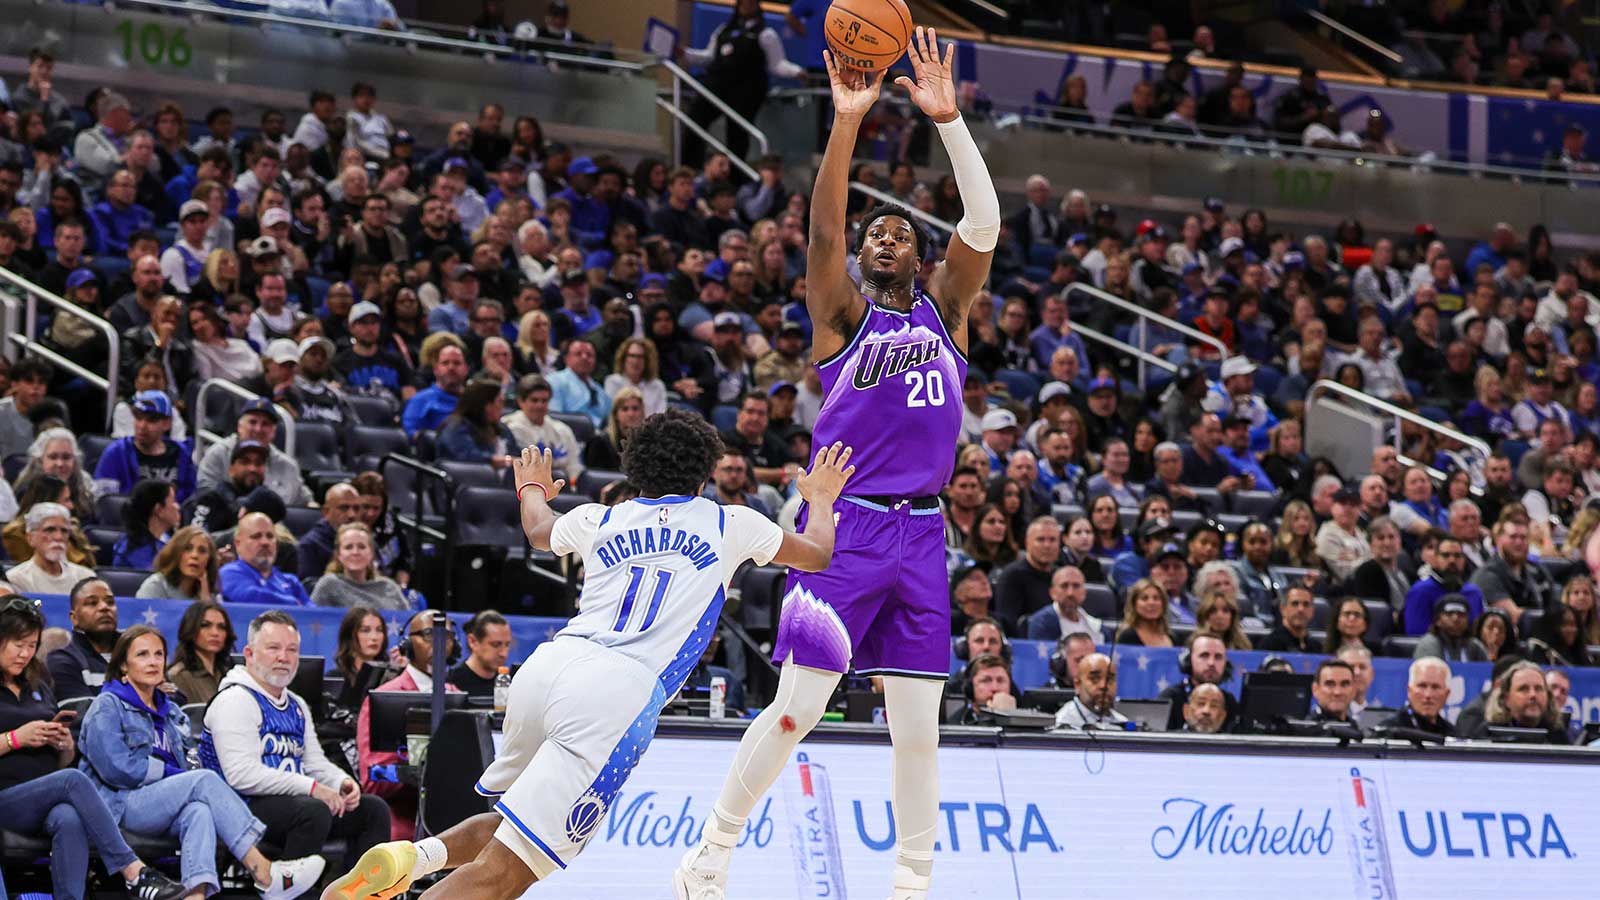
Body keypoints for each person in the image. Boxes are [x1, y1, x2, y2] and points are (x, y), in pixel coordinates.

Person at [319, 413, 852, 900]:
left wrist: (530, 487)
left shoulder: (601, 518)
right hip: (616, 695)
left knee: (517, 822)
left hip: (550, 668)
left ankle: (414, 856)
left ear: (635, 469)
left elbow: (537, 527)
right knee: (512, 870)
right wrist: (822, 496)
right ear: (704, 475)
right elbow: (818, 553)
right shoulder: (729, 522)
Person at [80, 625, 327, 900]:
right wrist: (172, 775)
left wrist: (180, 777)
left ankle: (196, 896)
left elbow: (188, 762)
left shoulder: (171, 711)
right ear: (123, 666)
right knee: (204, 781)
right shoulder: (108, 705)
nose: (153, 661)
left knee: (199, 811)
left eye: (159, 654)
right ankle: (264, 872)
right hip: (120, 804)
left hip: (162, 803)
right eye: (142, 654)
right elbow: (117, 769)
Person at [0, 597, 190, 900]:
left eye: (32, 645)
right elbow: (30, 748)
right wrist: (15, 738)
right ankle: (133, 871)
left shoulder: (38, 684)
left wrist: (63, 745)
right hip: (6, 798)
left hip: (44, 793)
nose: (26, 653)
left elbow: (62, 763)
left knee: (69, 817)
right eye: (18, 645)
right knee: (73, 780)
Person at [199, 611, 391, 875]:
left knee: (372, 810)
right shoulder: (235, 699)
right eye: (273, 648)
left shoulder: (297, 704)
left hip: (291, 804)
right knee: (312, 811)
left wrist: (340, 782)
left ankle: (359, 892)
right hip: (237, 806)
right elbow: (241, 775)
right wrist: (312, 788)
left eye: (291, 650)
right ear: (249, 653)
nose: (283, 657)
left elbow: (313, 762)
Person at [356, 610, 462, 840]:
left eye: (448, 636)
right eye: (428, 634)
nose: (440, 642)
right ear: (407, 644)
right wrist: (413, 767)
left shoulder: (457, 696)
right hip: (402, 821)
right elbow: (372, 782)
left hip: (453, 821)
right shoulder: (385, 696)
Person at [677, 0, 802, 167]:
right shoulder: (724, 30)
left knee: (737, 133)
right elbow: (708, 57)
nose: (746, 5)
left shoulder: (766, 34)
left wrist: (796, 72)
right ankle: (690, 165)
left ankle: (736, 176)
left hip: (745, 90)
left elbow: (777, 64)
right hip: (718, 84)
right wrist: (684, 54)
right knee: (696, 117)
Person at [93, 390, 197, 501]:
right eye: (138, 418)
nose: (142, 426)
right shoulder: (116, 453)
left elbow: (191, 499)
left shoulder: (182, 453)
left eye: (151, 420)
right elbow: (104, 502)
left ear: (167, 423)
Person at [44, 578, 119, 702]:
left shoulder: (136, 652)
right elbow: (83, 716)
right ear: (74, 618)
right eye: (92, 603)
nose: (104, 607)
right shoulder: (62, 660)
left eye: (110, 602)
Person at [310, 523, 411, 611]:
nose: (355, 552)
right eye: (348, 547)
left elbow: (408, 622)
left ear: (371, 553)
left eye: (362, 547)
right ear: (338, 555)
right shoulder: (328, 584)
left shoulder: (389, 587)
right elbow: (313, 622)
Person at [219, 513, 312, 606]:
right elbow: (252, 597)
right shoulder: (228, 573)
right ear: (238, 543)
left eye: (270, 536)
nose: (265, 542)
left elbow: (314, 614)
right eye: (256, 536)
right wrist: (295, 603)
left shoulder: (291, 581)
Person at [6, 503, 96, 597]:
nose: (58, 537)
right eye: (50, 530)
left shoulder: (85, 578)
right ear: (30, 538)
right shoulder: (16, 580)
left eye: (64, 531)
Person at [1470, 660, 1568, 743]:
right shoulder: (1487, 733)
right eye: (1523, 689)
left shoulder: (1557, 734)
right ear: (1506, 699)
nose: (1533, 695)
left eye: (1538, 689)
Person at [1157, 631, 1238, 731]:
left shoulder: (1229, 701)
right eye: (1204, 655)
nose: (1211, 663)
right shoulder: (1170, 698)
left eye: (1218, 657)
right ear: (1188, 660)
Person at [1404, 536, 1485, 635]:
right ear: (1435, 559)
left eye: (1457, 556)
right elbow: (1415, 635)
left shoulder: (1473, 593)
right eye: (1446, 555)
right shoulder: (1420, 591)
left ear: (1464, 560)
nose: (1452, 560)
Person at [166, 599, 235, 705]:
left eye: (221, 627)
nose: (215, 633)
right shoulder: (178, 676)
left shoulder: (231, 674)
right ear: (191, 629)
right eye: (205, 625)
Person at [138, 526, 223, 603]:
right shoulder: (155, 586)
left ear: (209, 559)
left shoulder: (212, 595)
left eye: (202, 551)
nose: (195, 555)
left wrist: (206, 600)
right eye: (187, 548)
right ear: (175, 553)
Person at [298, 483, 363, 582]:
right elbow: (309, 587)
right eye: (344, 508)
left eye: (356, 508)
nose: (352, 515)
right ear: (326, 512)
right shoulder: (310, 546)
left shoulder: (366, 539)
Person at [1377, 656, 1455, 737]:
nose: (1428, 695)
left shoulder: (1454, 737)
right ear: (1409, 691)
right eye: (1422, 686)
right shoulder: (1387, 732)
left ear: (1447, 694)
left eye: (1435, 687)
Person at [445, 610, 512, 702]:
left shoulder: (511, 684)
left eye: (507, 645)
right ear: (473, 641)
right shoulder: (451, 686)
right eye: (496, 645)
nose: (503, 653)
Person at [112, 480, 179, 570]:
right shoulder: (135, 550)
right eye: (173, 501)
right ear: (159, 510)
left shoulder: (168, 539)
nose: (178, 506)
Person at [1023, 565, 1101, 641]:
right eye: (1064, 586)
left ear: (1084, 593)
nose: (1070, 593)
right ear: (1052, 592)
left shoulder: (1096, 627)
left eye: (1076, 586)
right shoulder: (1041, 623)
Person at [1052, 653, 1128, 730]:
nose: (1104, 685)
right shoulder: (1062, 723)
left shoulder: (1123, 723)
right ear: (1078, 685)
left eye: (1110, 679)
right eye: (1095, 678)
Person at [1414, 594, 1489, 663]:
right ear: (1437, 620)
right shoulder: (1429, 643)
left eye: (1461, 614)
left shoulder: (1474, 646)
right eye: (1449, 614)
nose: (1455, 618)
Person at [956, 653, 1016, 724]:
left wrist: (1011, 717)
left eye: (1000, 681)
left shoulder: (1027, 722)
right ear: (970, 688)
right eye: (986, 681)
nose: (995, 688)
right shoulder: (955, 723)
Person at [1257, 585, 1316, 652]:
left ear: (1312, 611)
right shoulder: (1269, 645)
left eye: (1306, 604)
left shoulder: (1317, 647)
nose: (1301, 609)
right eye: (1295, 604)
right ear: (1283, 609)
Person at [1309, 659, 1355, 725]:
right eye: (1330, 684)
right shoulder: (1303, 730)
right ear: (1315, 689)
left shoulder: (1355, 728)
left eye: (1344, 684)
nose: (1337, 692)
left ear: (1353, 690)